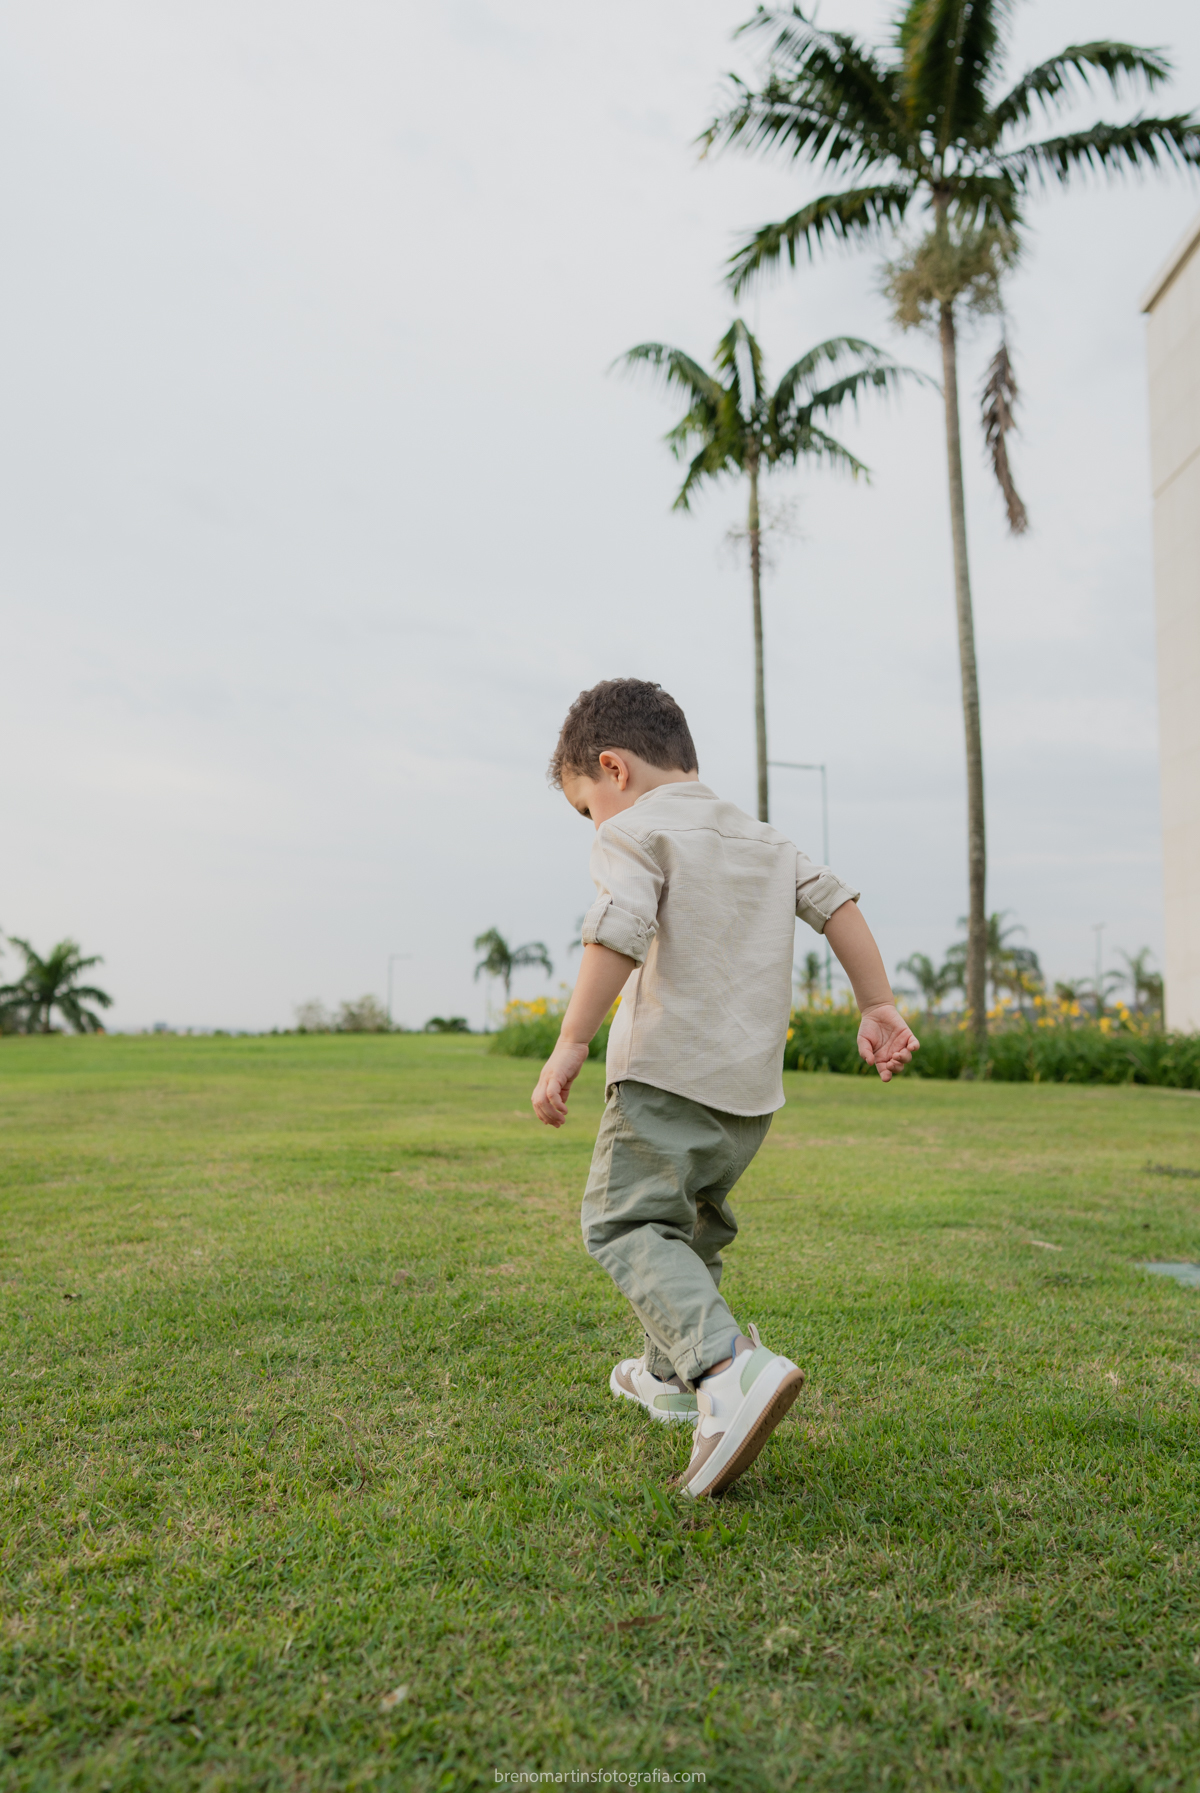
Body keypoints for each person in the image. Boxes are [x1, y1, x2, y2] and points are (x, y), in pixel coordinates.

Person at [531, 678, 919, 1499]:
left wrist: (570, 1043)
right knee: (692, 1230)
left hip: (666, 1075)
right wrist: (876, 1002)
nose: (592, 823)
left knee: (625, 1219)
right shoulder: (764, 838)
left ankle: (726, 1367)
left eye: (584, 805)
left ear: (614, 768)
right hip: (748, 1096)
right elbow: (836, 901)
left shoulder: (632, 831)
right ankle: (669, 1377)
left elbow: (619, 929)